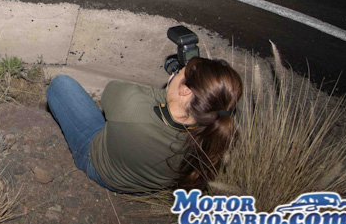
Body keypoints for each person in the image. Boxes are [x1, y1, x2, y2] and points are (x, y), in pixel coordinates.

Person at [46, 57, 242, 193]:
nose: (174, 74)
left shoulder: (131, 107)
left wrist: (167, 92)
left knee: (62, 84)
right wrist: (176, 97)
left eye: (178, 73)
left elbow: (111, 91)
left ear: (185, 90)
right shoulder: (210, 135)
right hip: (145, 186)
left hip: (101, 167)